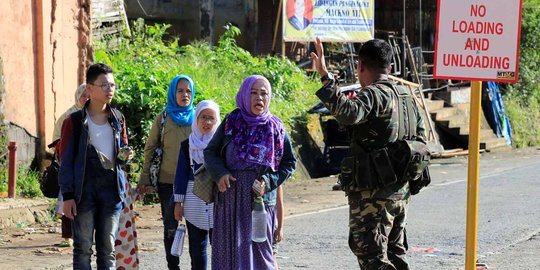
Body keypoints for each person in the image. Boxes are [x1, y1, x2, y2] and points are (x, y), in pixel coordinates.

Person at [310, 38, 426, 269]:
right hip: (400, 194)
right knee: (394, 255)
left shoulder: (373, 94)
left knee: (372, 259)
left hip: (373, 197)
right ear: (390, 68)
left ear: (360, 66)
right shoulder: (407, 98)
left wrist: (325, 76)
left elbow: (348, 113)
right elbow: (421, 138)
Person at [204, 75, 296, 270]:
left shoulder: (276, 127)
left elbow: (289, 163)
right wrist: (220, 173)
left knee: (262, 257)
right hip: (229, 200)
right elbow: (211, 152)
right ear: (245, 95)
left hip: (259, 202)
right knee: (227, 256)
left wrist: (269, 181)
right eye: (253, 93)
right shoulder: (231, 121)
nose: (259, 98)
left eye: (264, 93)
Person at [58, 63, 133, 269]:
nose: (110, 89)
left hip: (111, 191)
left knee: (107, 250)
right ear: (89, 89)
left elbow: (122, 150)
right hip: (83, 192)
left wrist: (126, 154)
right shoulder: (73, 122)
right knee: (82, 249)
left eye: (112, 85)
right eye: (104, 85)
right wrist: (68, 196)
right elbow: (66, 162)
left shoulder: (118, 118)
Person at [138, 75, 195, 270]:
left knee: (196, 229)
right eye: (180, 91)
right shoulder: (163, 118)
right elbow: (150, 148)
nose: (184, 94)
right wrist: (144, 178)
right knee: (171, 227)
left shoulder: (199, 117)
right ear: (173, 93)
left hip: (193, 184)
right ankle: (174, 266)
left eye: (188, 91)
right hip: (167, 182)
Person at [173, 100, 220, 270]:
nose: (207, 122)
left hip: (218, 201)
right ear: (196, 118)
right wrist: (178, 203)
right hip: (193, 202)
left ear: (217, 121)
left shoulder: (221, 145)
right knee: (197, 248)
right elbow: (181, 175)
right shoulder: (187, 145)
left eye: (212, 119)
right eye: (203, 117)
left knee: (220, 248)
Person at [52, 83, 89, 248]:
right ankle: (68, 236)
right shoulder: (69, 116)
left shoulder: (97, 115)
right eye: (84, 96)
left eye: (90, 96)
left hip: (89, 167)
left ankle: (87, 234)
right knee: (68, 198)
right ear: (77, 97)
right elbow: (57, 141)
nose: (87, 99)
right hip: (71, 166)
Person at [272, 185, 284, 270]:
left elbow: (280, 204)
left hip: (271, 226)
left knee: (272, 256)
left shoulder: (276, 182)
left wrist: (280, 228)